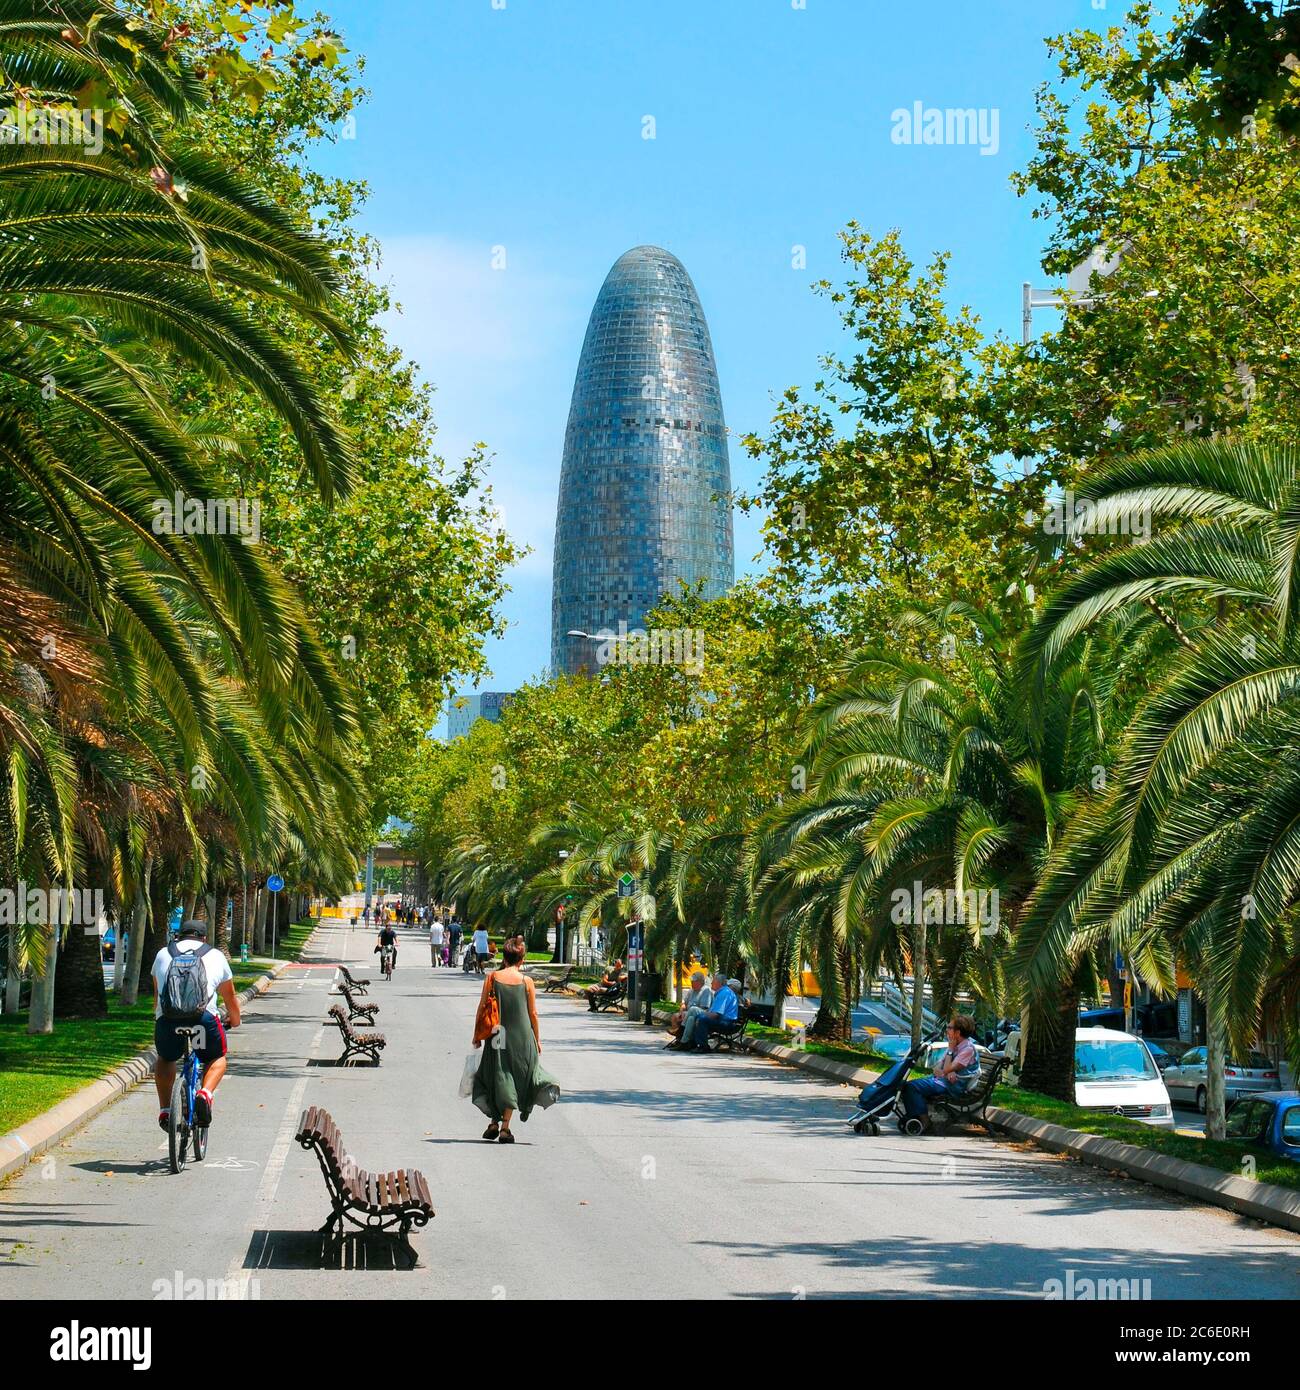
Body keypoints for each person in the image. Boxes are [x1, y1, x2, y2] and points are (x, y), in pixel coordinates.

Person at [151, 920, 241, 1132]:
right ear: (204, 938)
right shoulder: (216, 955)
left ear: (179, 936)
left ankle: (165, 1109)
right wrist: (234, 1020)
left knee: (165, 1059)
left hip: (168, 1021)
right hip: (202, 1020)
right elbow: (230, 996)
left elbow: (158, 998)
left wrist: (160, 1021)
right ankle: (205, 1094)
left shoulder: (163, 954)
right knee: (215, 1058)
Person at [471, 935, 560, 1142]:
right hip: (522, 1038)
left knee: (496, 1074)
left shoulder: (492, 978)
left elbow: (482, 1008)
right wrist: (537, 1040)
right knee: (517, 1077)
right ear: (521, 959)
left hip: (496, 1036)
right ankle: (505, 1127)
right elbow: (533, 1014)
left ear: (504, 956)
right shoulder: (526, 981)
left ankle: (494, 1121)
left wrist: (476, 1035)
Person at [900, 1015, 982, 1130]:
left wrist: (949, 1053)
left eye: (949, 1027)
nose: (947, 1030)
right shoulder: (957, 1046)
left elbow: (946, 1068)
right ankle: (914, 1119)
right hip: (944, 1081)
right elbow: (938, 1068)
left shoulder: (967, 1049)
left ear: (957, 1033)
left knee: (912, 1087)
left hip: (954, 1087)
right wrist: (947, 1072)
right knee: (905, 1085)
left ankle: (924, 1121)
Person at [685, 975, 740, 1051]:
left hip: (727, 1022)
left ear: (718, 983)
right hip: (724, 1020)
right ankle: (687, 1042)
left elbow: (716, 1014)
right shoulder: (723, 992)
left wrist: (701, 1015)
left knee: (701, 1018)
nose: (711, 983)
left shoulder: (724, 993)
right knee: (693, 1017)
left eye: (713, 981)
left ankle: (702, 1046)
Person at [665, 970, 712, 1047]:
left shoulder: (706, 990)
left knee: (692, 1011)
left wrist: (687, 1013)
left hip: (701, 1013)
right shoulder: (691, 990)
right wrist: (681, 1012)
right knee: (676, 1016)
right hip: (689, 1013)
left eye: (694, 981)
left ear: (700, 982)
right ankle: (679, 1039)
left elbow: (704, 1007)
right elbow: (684, 1003)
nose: (691, 982)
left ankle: (680, 1032)